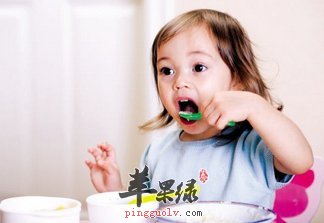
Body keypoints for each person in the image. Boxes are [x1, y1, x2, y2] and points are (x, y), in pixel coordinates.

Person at [85, 9, 313, 209]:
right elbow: (142, 214)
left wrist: (257, 107)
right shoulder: (156, 153)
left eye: (198, 67)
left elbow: (301, 161)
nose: (179, 82)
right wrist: (113, 193)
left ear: (238, 81)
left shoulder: (255, 147)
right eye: (166, 71)